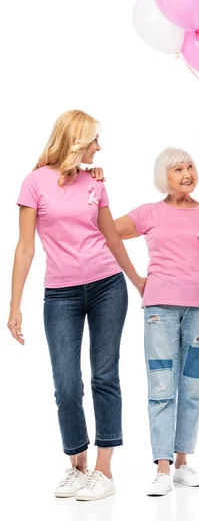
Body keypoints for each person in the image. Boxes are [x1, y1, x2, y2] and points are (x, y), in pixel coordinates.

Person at [7, 110, 145, 501]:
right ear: (76, 140)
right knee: (66, 385)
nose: (99, 148)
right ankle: (77, 465)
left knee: (105, 376)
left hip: (107, 287)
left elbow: (112, 237)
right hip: (61, 294)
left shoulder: (95, 182)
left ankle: (103, 471)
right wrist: (14, 305)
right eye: (94, 140)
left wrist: (135, 279)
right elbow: (24, 247)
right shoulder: (34, 183)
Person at [114, 148, 199, 497]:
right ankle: (161, 466)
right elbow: (106, 230)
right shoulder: (149, 213)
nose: (187, 173)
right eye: (177, 169)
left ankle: (181, 462)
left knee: (193, 388)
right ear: (164, 176)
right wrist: (135, 277)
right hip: (160, 309)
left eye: (190, 166)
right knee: (162, 386)